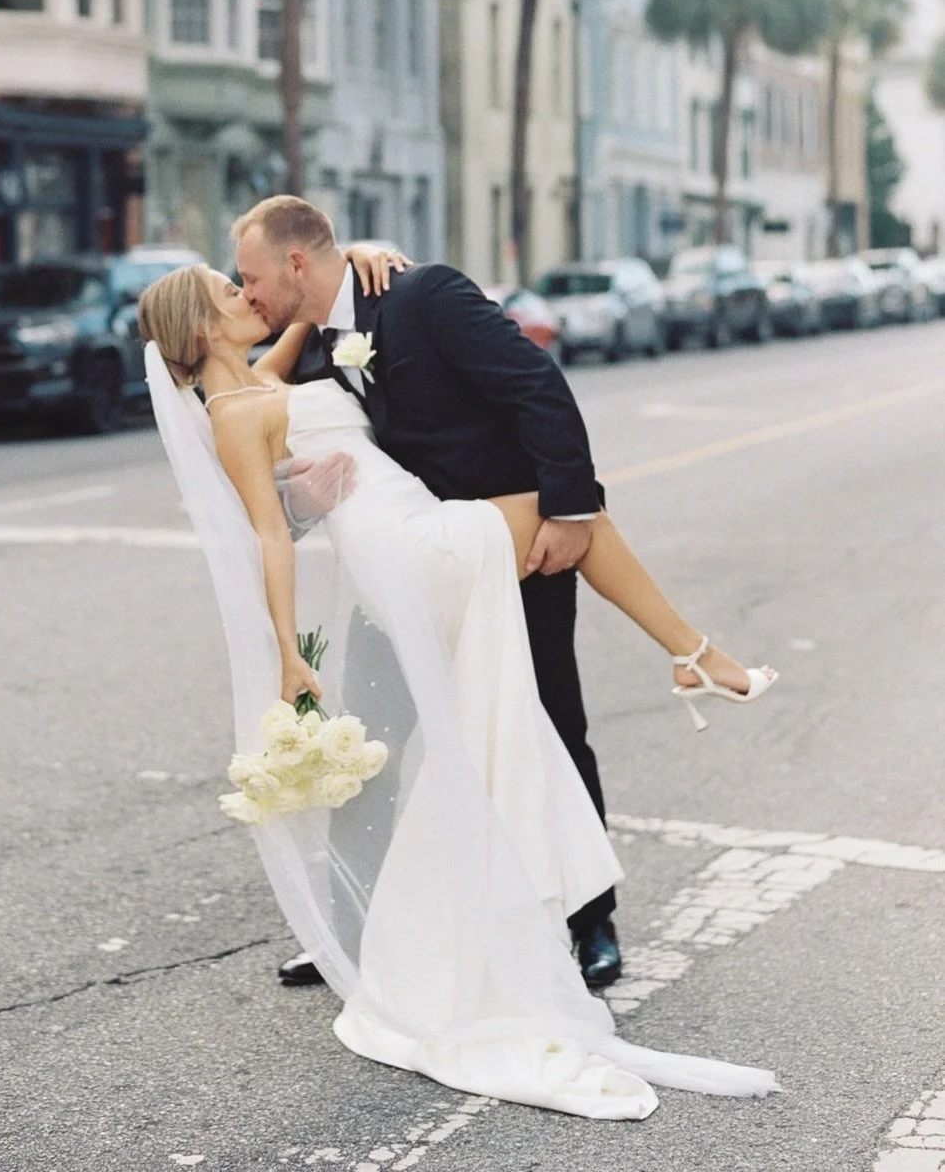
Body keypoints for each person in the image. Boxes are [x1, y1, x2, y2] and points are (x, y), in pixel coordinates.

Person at [136, 228, 778, 1120]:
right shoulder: (236, 409)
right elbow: (271, 533)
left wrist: (360, 249)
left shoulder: (277, 366)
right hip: (406, 553)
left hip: (412, 539)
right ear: (205, 325)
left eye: (248, 279)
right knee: (570, 534)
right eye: (229, 291)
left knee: (519, 706)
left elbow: (312, 308)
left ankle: (573, 899)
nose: (248, 296)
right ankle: (694, 655)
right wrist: (287, 649)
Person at [233, 198, 675, 994]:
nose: (248, 295)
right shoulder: (310, 347)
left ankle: (590, 921)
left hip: (508, 551)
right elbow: (280, 479)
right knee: (370, 748)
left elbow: (535, 386)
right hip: (395, 570)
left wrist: (571, 510)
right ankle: (350, 931)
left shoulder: (423, 295)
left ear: (296, 264)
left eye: (253, 277)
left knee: (549, 720)